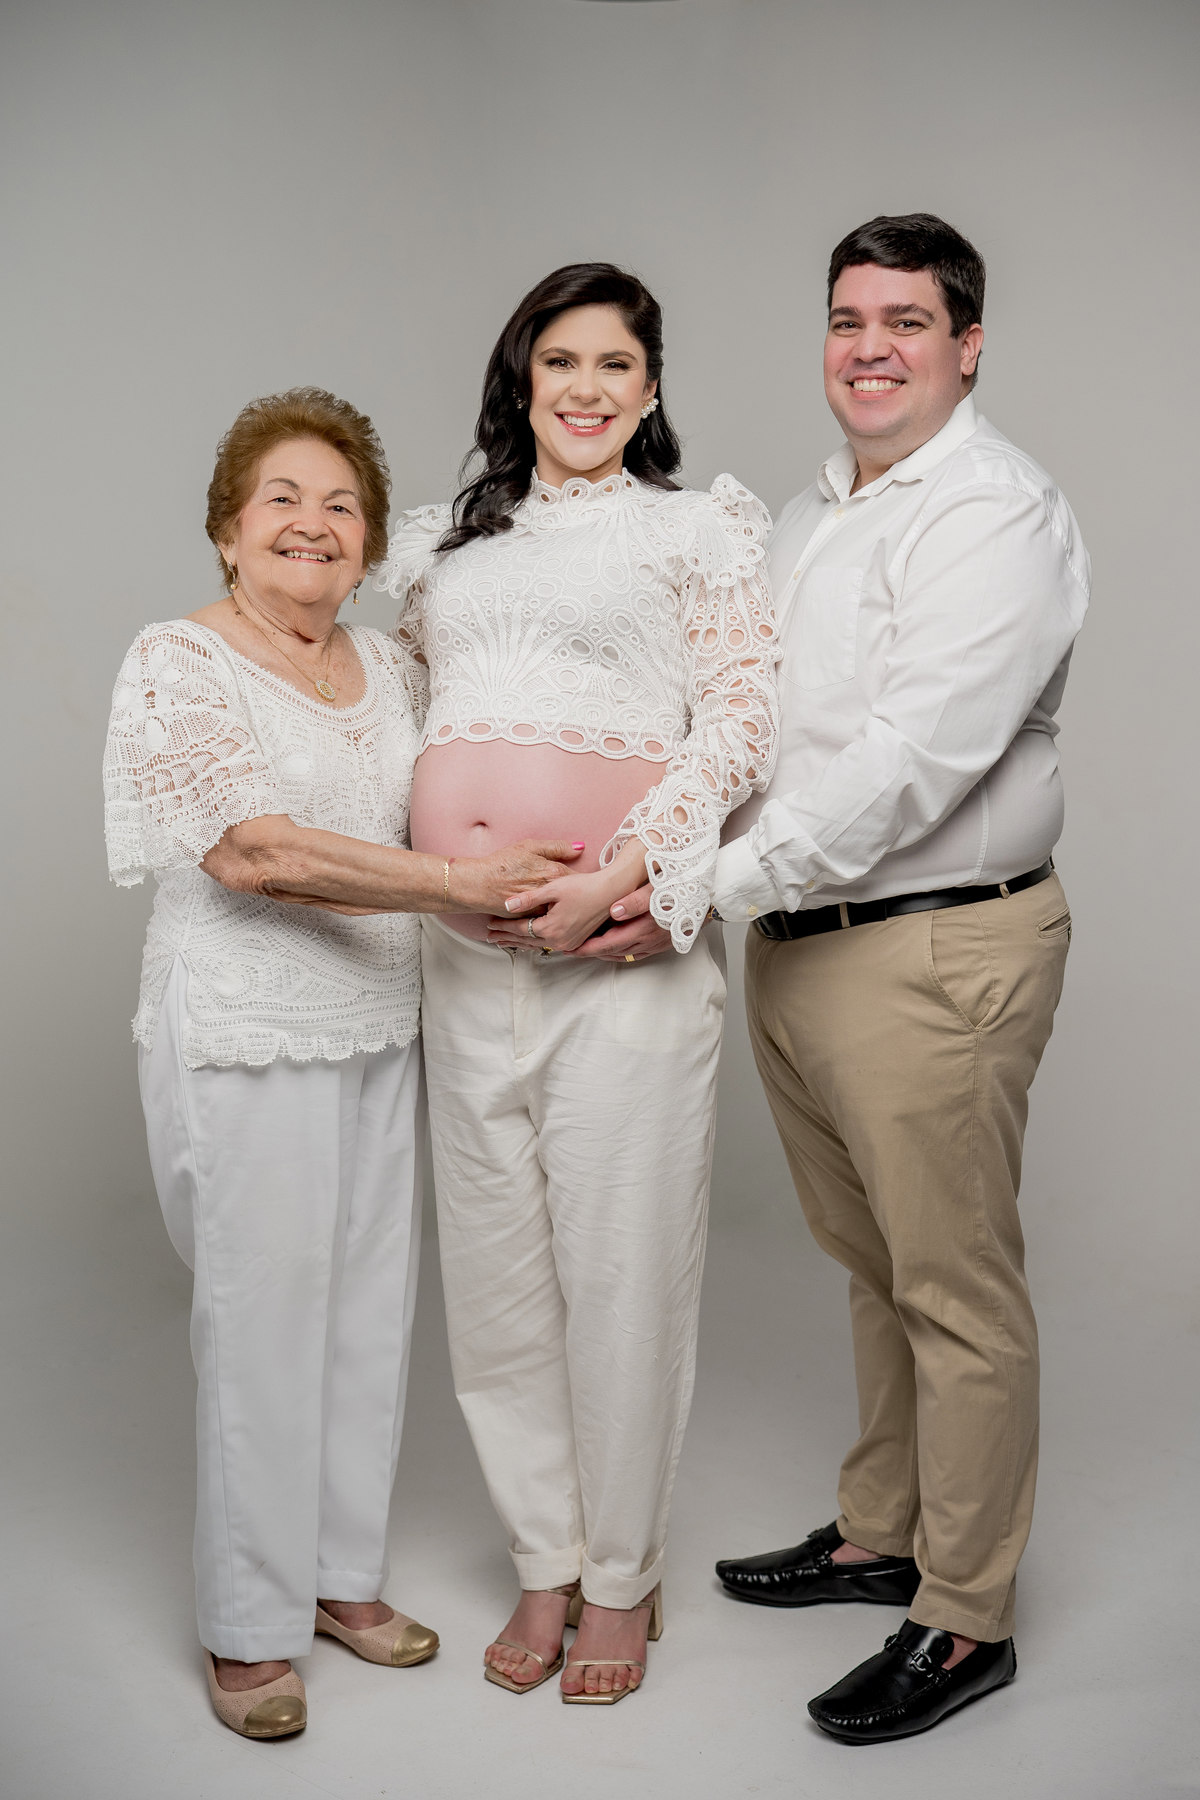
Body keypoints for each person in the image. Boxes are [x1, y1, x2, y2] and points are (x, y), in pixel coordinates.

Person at [103, 388, 577, 1738]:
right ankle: (247, 1629)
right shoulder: (180, 660)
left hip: (381, 1018)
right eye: (282, 500)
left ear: (369, 543)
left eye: (342, 506)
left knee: (369, 1315)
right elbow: (251, 851)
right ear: (226, 530)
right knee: (263, 1324)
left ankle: (337, 1578)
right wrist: (459, 884)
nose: (312, 524)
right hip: (245, 1026)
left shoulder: (387, 662)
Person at [707, 216, 1090, 1741]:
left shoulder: (995, 513)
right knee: (874, 1266)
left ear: (968, 345)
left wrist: (701, 887)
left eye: (908, 322)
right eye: (848, 319)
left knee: (955, 1288)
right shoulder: (813, 513)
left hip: (934, 948)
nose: (870, 348)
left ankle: (967, 1615)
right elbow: (757, 726)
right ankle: (884, 1534)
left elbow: (914, 759)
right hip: (804, 944)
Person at [379, 263, 778, 1703]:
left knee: (622, 1266)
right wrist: (431, 875)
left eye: (617, 363)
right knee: (495, 1278)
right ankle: (543, 1557)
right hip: (462, 956)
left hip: (621, 952)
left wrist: (627, 879)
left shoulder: (696, 528)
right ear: (523, 379)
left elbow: (743, 723)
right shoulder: (442, 547)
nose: (589, 388)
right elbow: (404, 725)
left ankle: (621, 1574)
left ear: (652, 386)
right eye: (562, 362)